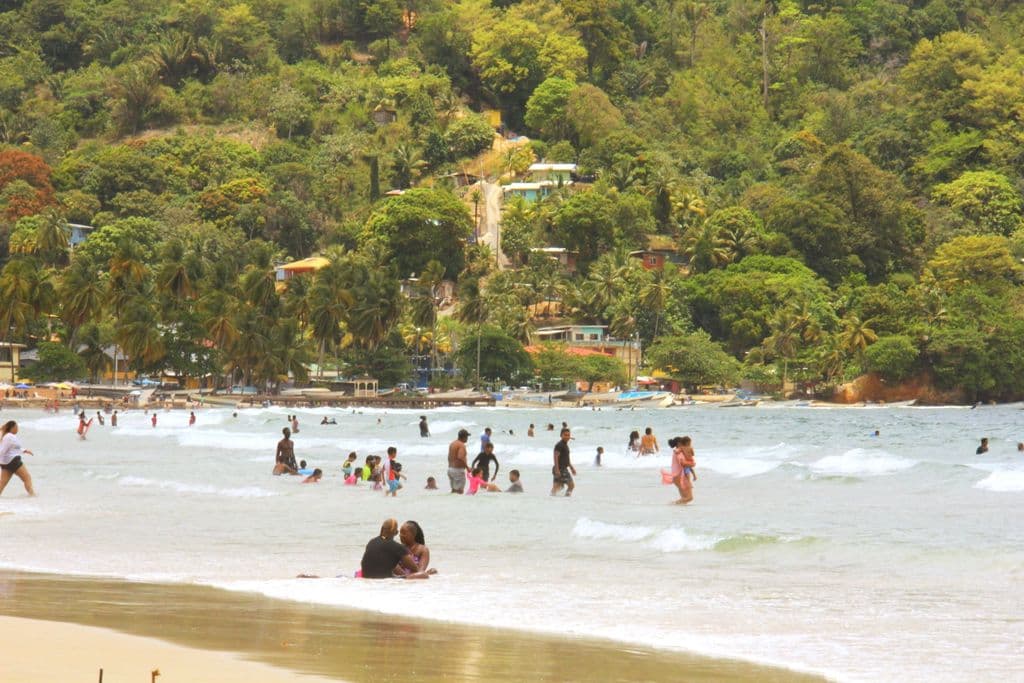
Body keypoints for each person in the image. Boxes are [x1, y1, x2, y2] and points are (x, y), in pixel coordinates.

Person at [359, 519, 430, 579]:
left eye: (404, 533)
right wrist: (406, 576)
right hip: (387, 578)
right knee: (424, 575)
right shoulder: (397, 547)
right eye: (400, 532)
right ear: (395, 532)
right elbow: (416, 570)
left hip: (367, 576)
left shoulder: (372, 541)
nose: (400, 535)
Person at [0, 420, 35, 497]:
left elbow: (15, 447)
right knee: (27, 478)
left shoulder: (7, 436)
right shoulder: (9, 436)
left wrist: (25, 450)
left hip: (5, 462)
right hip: (13, 461)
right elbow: (2, 450)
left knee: (2, 483)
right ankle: (32, 496)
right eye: (16, 427)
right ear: (12, 428)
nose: (18, 429)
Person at [551, 428, 576, 497]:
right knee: (571, 485)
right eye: (565, 435)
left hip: (561, 468)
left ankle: (551, 498)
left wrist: (571, 467)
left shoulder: (565, 445)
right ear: (561, 435)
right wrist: (557, 469)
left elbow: (566, 459)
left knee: (558, 486)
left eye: (568, 435)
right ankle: (567, 498)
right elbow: (555, 457)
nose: (567, 437)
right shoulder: (559, 445)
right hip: (560, 469)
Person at [670, 436, 695, 505]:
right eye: (683, 442)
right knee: (689, 497)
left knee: (684, 498)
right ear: (679, 443)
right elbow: (683, 463)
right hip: (680, 477)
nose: (685, 444)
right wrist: (693, 464)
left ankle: (675, 506)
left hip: (676, 477)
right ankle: (673, 504)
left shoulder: (676, 451)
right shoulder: (679, 452)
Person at [447, 429, 470, 493]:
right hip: (457, 470)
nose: (467, 439)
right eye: (467, 437)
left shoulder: (452, 443)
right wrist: (467, 467)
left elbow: (449, 457)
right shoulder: (461, 445)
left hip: (450, 469)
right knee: (460, 491)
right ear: (464, 437)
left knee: (454, 490)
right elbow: (460, 457)